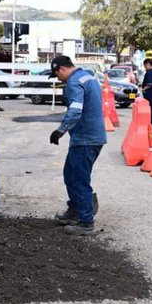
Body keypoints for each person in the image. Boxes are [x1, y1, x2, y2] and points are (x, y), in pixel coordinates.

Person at [48, 56, 106, 236]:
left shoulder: (73, 83)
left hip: (85, 139)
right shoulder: (88, 77)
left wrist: (60, 130)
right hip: (93, 137)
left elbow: (75, 110)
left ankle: (86, 222)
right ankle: (75, 210)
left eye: (56, 74)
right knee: (71, 174)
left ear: (62, 69)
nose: (58, 79)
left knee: (79, 179)